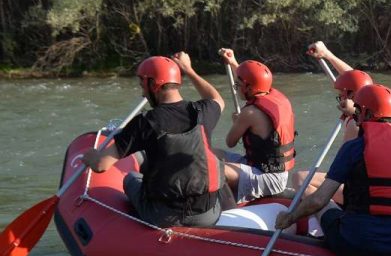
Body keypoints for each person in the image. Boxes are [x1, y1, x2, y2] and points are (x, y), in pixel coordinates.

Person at [275, 84, 391, 256]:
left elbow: (319, 200)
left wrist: (289, 218)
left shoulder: (354, 147)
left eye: (358, 110)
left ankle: (315, 235)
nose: (356, 115)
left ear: (365, 112)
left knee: (325, 205)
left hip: (355, 245)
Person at [82, 52, 226, 227]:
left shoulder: (145, 122)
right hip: (209, 213)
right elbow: (217, 99)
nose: (143, 93)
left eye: (143, 85)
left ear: (153, 84)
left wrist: (90, 155)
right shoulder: (202, 111)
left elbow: (100, 165)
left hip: (166, 217)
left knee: (131, 178)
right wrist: (189, 69)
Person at [291, 41, 374, 202]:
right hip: (383, 187)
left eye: (341, 94)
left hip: (363, 195)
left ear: (349, 96)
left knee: (299, 179)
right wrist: (326, 54)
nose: (340, 97)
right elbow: (357, 79)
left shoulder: (354, 125)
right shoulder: (381, 108)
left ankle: (330, 216)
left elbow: (342, 169)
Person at [217, 49, 296, 203]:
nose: (236, 87)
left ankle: (225, 211)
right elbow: (252, 79)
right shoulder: (275, 95)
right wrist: (233, 62)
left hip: (268, 178)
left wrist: (237, 123)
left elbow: (230, 142)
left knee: (216, 169)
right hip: (265, 168)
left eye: (237, 84)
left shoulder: (250, 113)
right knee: (212, 153)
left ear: (249, 88)